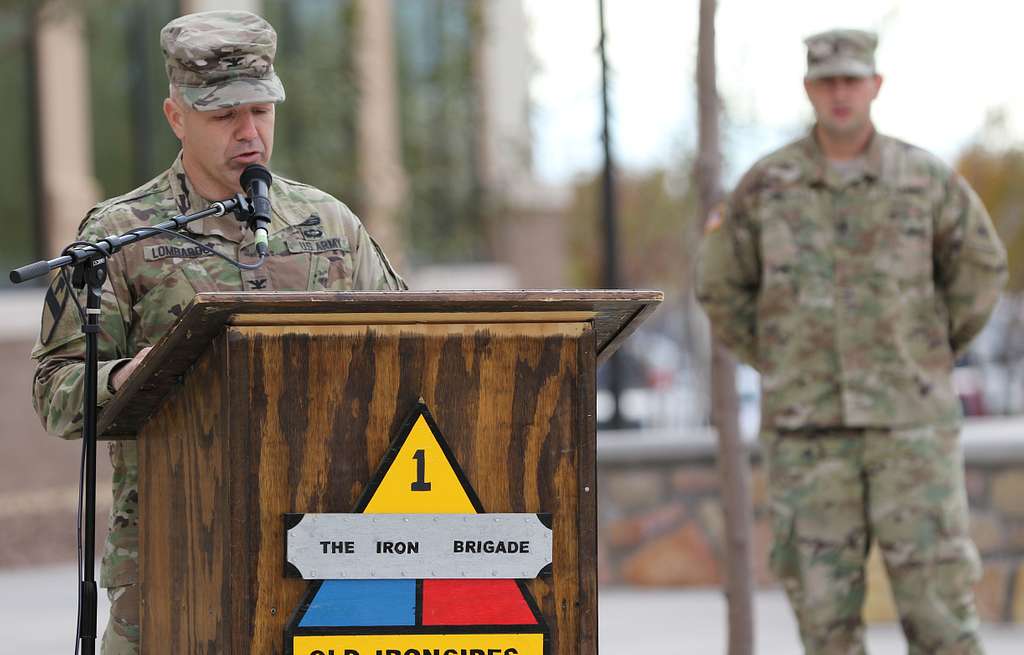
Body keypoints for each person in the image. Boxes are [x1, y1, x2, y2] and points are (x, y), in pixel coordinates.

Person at [31, 10, 405, 654]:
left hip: (322, 547)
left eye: (260, 111)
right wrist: (127, 374)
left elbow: (410, 350)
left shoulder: (330, 225)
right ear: (177, 117)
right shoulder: (120, 235)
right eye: (224, 116)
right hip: (170, 558)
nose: (249, 133)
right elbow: (54, 393)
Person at [698, 29, 1007, 655]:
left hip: (910, 430)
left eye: (852, 80)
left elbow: (982, 268)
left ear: (875, 85)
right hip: (809, 439)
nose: (841, 93)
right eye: (827, 81)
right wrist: (781, 357)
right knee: (824, 622)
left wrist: (929, 348)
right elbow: (718, 284)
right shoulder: (768, 185)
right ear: (810, 88)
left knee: (941, 615)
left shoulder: (924, 179)